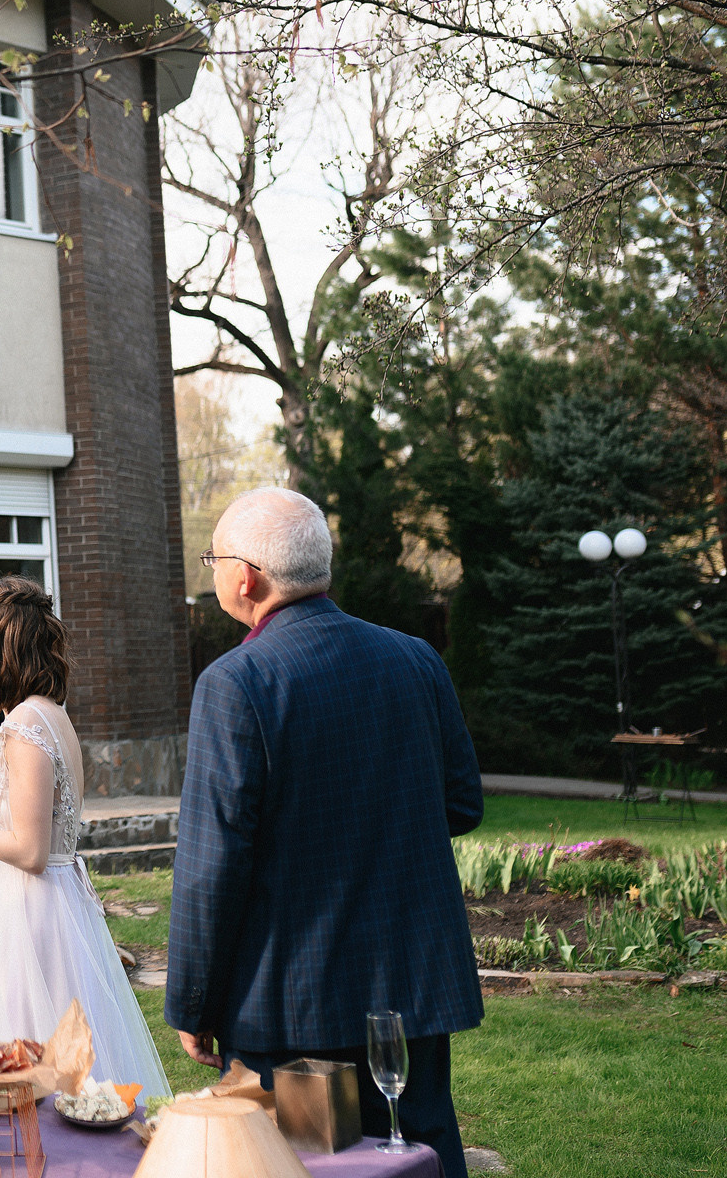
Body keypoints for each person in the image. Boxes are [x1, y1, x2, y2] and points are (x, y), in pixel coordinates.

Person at [167, 488, 482, 1177]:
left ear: (245, 577)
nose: (213, 570)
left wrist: (193, 1003)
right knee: (421, 1159)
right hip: (412, 984)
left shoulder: (236, 682)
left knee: (315, 1167)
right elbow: (461, 804)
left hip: (296, 1001)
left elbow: (211, 867)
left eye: (213, 558)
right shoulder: (417, 658)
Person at [0, 577, 170, 1095]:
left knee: (28, 1060)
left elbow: (29, 852)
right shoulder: (46, 712)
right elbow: (23, 831)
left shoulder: (25, 724)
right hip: (49, 904)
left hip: (27, 914)